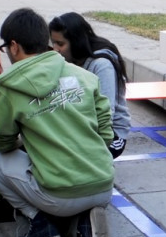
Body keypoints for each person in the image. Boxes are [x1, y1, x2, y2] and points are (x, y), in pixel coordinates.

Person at [0, 8, 115, 237]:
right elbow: (106, 131)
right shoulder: (84, 76)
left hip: (58, 195)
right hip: (104, 186)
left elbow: (2, 141)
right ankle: (84, 221)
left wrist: (25, 140)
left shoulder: (10, 88)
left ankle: (38, 220)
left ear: (14, 46)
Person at [49, 12, 131, 158]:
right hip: (79, 128)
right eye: (53, 43)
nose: (55, 49)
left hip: (112, 135)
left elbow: (106, 115)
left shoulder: (101, 65)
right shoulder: (69, 59)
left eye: (60, 44)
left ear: (76, 41)